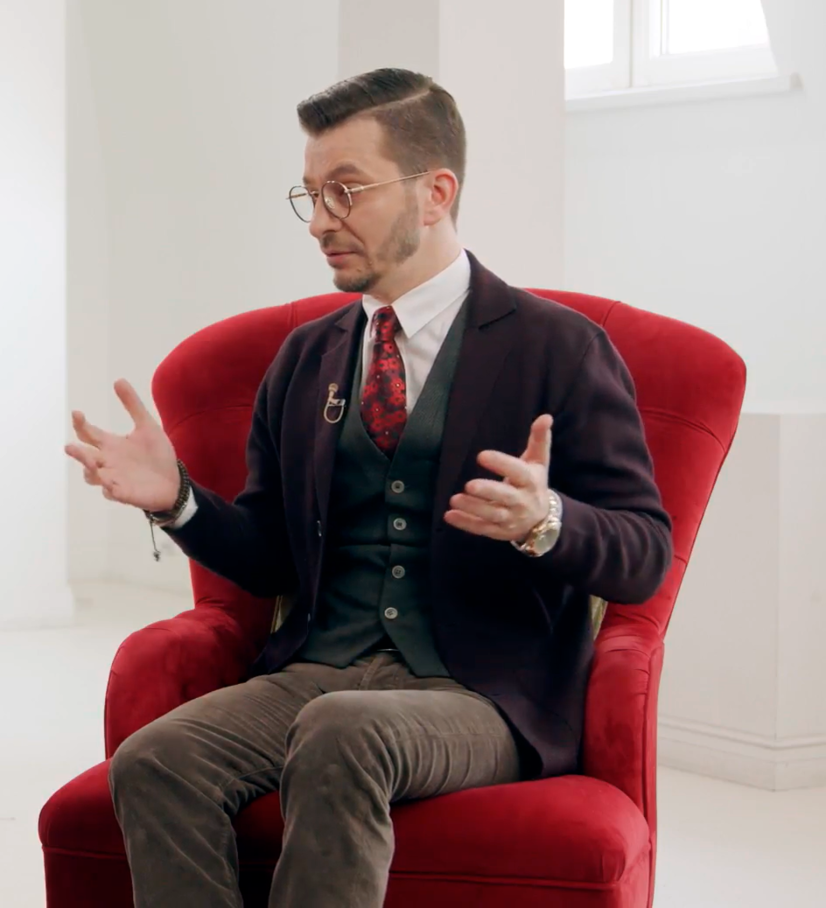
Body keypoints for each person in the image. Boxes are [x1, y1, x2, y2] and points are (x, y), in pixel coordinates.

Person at [66, 67, 671, 908]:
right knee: (155, 758)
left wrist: (547, 520)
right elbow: (271, 554)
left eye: (345, 192)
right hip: (320, 667)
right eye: (310, 195)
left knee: (341, 730)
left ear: (435, 193)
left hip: (483, 694)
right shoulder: (304, 359)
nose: (320, 221)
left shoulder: (559, 349)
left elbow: (645, 554)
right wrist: (179, 499)